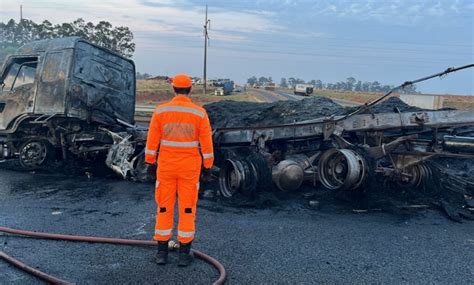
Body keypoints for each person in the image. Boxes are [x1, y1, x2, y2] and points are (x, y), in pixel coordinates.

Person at [145, 74, 214, 266]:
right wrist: (207, 167)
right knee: (187, 208)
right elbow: (207, 143)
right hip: (189, 169)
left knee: (164, 207)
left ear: (173, 89)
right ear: (190, 90)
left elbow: (152, 140)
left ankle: (162, 253)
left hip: (166, 167)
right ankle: (184, 255)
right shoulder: (199, 113)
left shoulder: (160, 111)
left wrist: (150, 162)